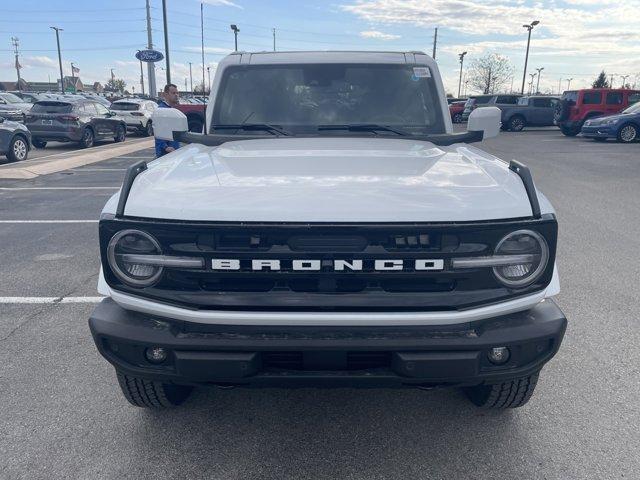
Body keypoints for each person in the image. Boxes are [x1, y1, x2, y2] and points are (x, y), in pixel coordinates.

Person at [155, 83, 181, 158]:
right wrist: (165, 147)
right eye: (173, 93)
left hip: (174, 151)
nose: (176, 95)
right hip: (166, 154)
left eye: (177, 93)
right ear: (165, 94)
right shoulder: (162, 111)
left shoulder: (171, 109)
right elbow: (158, 132)